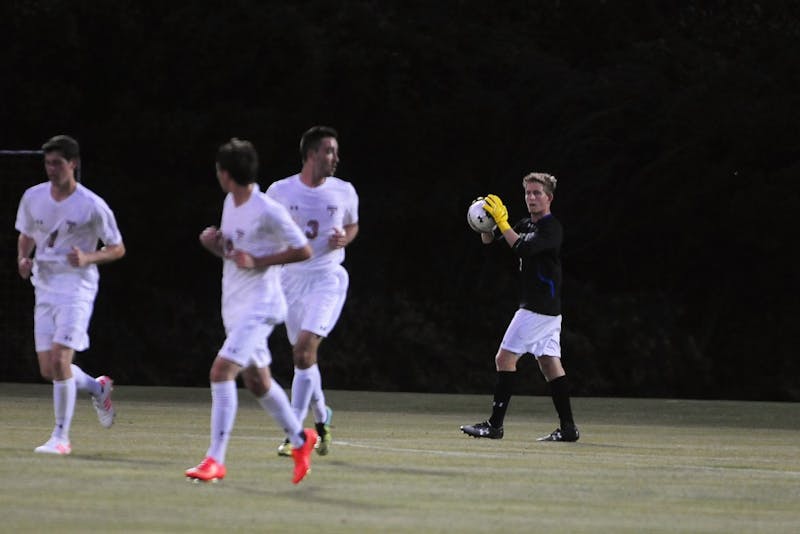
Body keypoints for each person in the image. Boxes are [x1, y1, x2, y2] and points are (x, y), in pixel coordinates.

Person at [186, 138, 317, 484]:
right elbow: (236, 252)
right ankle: (302, 441)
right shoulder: (231, 202)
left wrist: (260, 260)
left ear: (225, 174)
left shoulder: (268, 209)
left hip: (261, 307)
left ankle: (215, 460)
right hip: (235, 304)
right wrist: (215, 245)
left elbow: (303, 250)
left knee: (220, 372)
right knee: (258, 382)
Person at [15, 135, 125, 455]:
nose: (51, 169)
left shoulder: (91, 205)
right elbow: (26, 235)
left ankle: (60, 438)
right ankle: (97, 387)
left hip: (76, 288)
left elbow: (117, 248)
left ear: (72, 164)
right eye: (47, 163)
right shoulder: (33, 197)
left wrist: (89, 257)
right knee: (49, 370)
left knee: (62, 358)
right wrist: (22, 258)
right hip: (44, 287)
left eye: (57, 163)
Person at [460, 172, 580, 442]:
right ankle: (569, 428)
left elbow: (524, 249)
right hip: (547, 310)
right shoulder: (525, 224)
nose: (531, 197)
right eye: (528, 193)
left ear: (549, 198)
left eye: (537, 193)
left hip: (537, 308)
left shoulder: (552, 228)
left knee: (504, 359)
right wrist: (486, 226)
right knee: (550, 365)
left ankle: (494, 425)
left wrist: (502, 223)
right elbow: (498, 247)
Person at [265, 126, 359, 457]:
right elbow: (266, 227)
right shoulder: (280, 190)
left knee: (304, 350)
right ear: (310, 155)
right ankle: (323, 416)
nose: (335, 158)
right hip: (289, 280)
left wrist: (346, 237)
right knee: (304, 358)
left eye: (336, 151)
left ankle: (295, 434)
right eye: (329, 151)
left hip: (327, 279)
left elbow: (352, 224)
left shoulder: (344, 190)